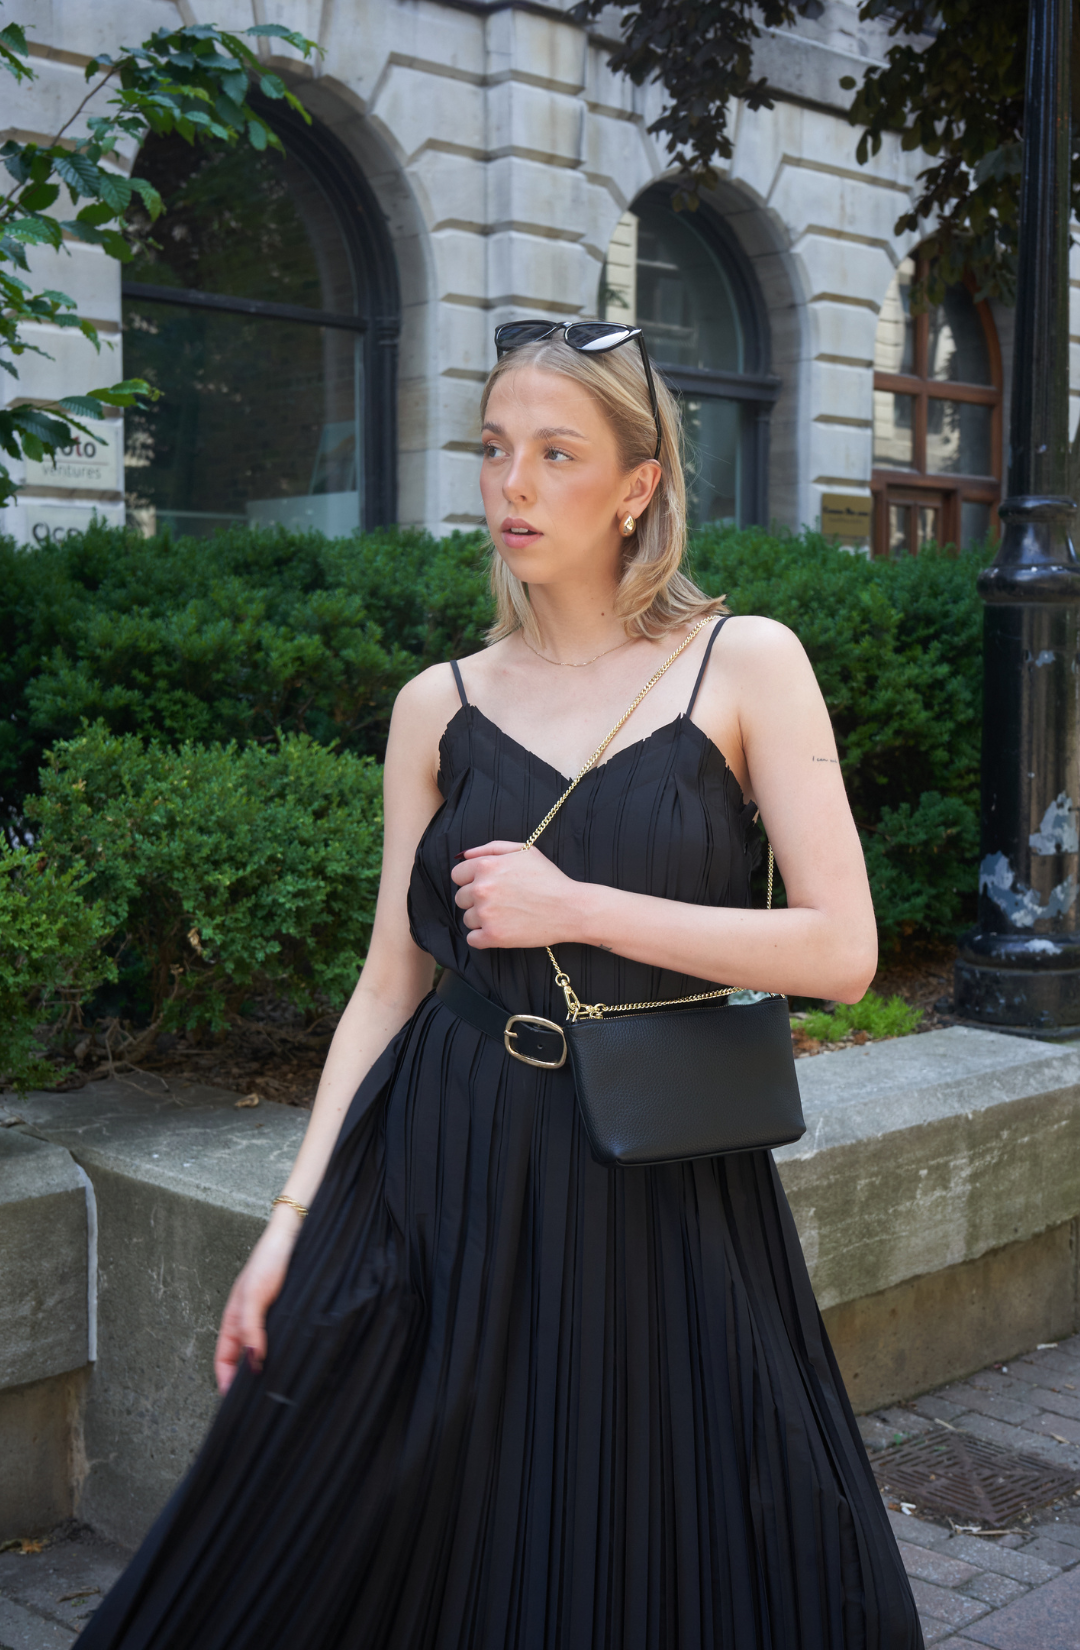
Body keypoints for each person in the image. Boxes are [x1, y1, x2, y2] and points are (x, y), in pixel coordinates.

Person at [77, 322, 924, 1650]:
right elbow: (386, 985)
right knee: (376, 1516)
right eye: (493, 449)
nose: (511, 484)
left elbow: (841, 949)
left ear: (638, 485)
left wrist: (576, 907)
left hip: (653, 1170)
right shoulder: (440, 704)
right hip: (446, 1156)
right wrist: (292, 1221)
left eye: (556, 453)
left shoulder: (745, 663)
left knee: (652, 1516)